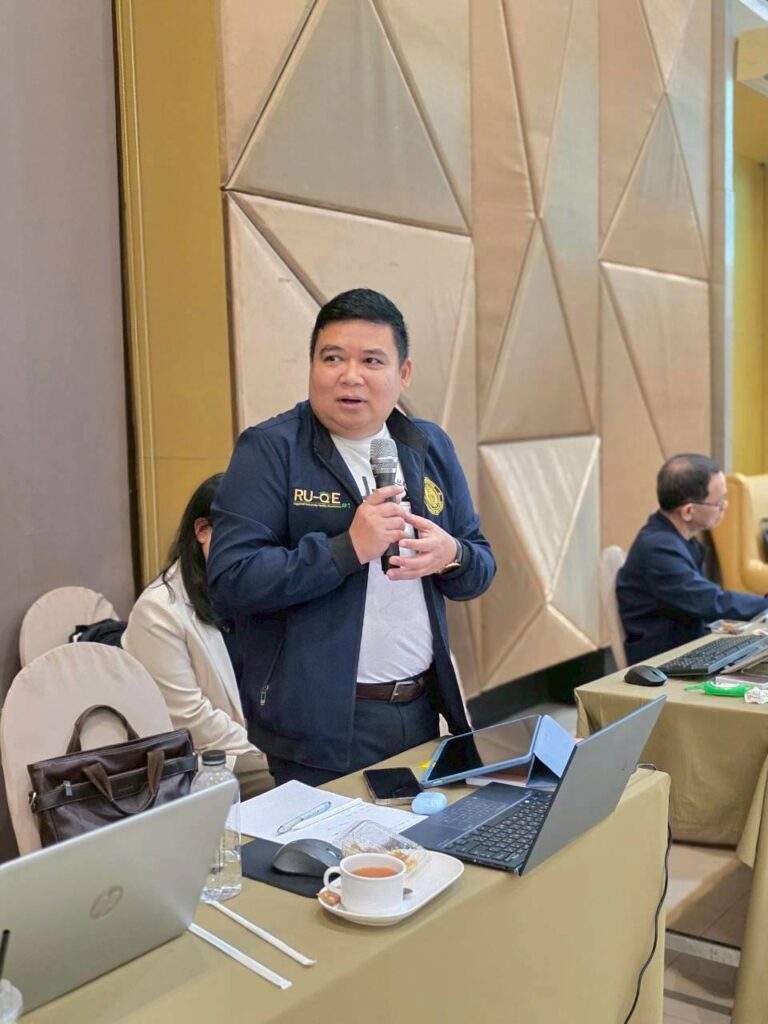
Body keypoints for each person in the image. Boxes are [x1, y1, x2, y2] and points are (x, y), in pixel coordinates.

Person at [208, 288, 496, 786]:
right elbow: (232, 579)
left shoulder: (427, 445)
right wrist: (348, 549)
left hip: (422, 710)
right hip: (319, 728)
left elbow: (480, 564)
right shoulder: (271, 450)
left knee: (423, 838)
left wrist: (451, 555)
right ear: (312, 365)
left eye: (371, 361)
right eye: (333, 358)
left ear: (403, 374)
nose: (350, 376)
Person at [122, 474, 270, 799]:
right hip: (203, 757)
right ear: (202, 531)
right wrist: (269, 753)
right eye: (239, 536)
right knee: (289, 779)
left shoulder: (255, 591)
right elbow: (190, 720)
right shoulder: (158, 610)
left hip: (259, 740)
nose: (253, 551)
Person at [617, 454, 768, 664]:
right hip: (664, 661)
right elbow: (711, 602)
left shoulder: (675, 539)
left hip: (689, 647)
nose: (724, 506)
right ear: (688, 511)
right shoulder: (658, 550)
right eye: (718, 502)